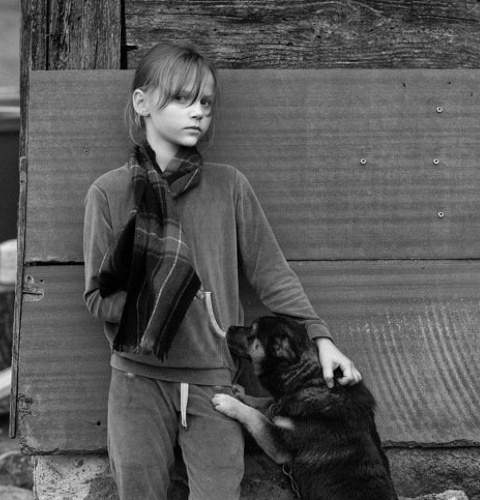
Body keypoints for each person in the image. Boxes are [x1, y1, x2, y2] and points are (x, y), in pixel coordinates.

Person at [83, 42, 362, 500]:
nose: (198, 112)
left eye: (206, 102)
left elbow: (272, 274)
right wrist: (161, 295)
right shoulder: (108, 193)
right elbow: (97, 298)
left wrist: (321, 339)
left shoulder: (229, 186)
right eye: (182, 99)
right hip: (136, 380)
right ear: (142, 102)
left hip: (213, 378)